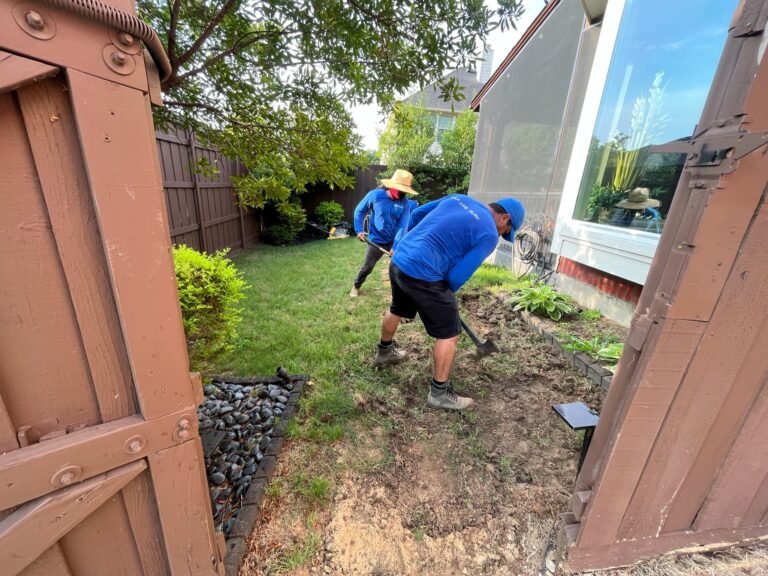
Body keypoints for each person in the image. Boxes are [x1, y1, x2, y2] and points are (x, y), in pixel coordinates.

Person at [373, 194, 525, 411]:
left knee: (396, 308)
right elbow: (456, 278)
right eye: (506, 232)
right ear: (504, 219)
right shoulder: (489, 234)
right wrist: (441, 299)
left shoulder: (458, 198)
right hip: (424, 274)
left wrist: (404, 243)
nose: (502, 236)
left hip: (400, 260)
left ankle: (384, 353)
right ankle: (439, 394)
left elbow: (415, 214)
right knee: (448, 334)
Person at [350, 169, 418, 297]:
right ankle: (356, 285)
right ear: (391, 186)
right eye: (400, 190)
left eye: (404, 191)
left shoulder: (405, 203)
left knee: (401, 267)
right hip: (376, 239)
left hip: (393, 240)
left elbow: (402, 226)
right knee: (368, 267)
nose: (402, 194)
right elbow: (359, 211)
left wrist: (395, 245)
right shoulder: (375, 195)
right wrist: (359, 230)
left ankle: (402, 293)